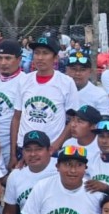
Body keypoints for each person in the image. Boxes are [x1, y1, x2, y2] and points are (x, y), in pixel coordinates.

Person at [9, 35, 78, 169]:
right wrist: (13, 153)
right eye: (37, 53)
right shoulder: (24, 80)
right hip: (25, 148)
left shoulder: (66, 82)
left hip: (51, 148)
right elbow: (17, 117)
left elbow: (73, 120)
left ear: (55, 57)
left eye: (45, 53)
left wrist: (56, 146)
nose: (40, 58)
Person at [0, 39, 29, 165]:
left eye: (8, 58)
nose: (3, 63)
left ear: (19, 59)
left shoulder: (26, 81)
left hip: (13, 144)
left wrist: (14, 153)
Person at [65, 51, 109, 116]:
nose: (77, 73)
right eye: (74, 69)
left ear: (90, 71)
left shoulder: (100, 95)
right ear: (66, 70)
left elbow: (104, 119)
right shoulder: (58, 90)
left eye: (82, 69)